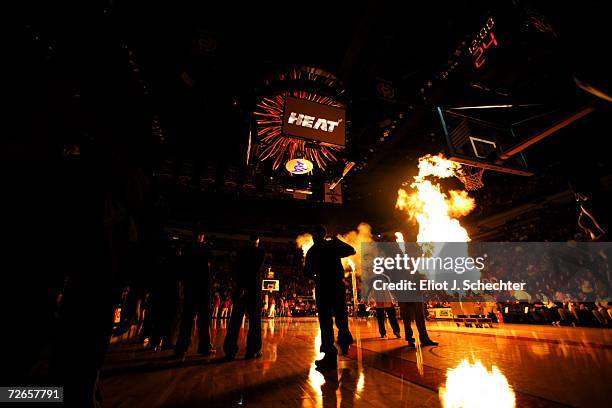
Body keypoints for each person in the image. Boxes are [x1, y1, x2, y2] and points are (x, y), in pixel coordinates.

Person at [304, 225, 355, 372]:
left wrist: (316, 276)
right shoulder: (332, 245)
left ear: (314, 236)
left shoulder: (312, 251)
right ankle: (345, 342)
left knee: (326, 321)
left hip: (323, 287)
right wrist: (338, 241)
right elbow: (351, 250)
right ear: (325, 235)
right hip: (337, 286)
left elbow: (307, 273)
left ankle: (330, 356)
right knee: (341, 315)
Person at [223, 235, 265, 360]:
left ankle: (230, 351)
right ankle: (252, 350)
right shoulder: (260, 252)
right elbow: (256, 270)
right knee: (254, 322)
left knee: (235, 321)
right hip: (253, 290)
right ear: (257, 242)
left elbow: (235, 270)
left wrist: (240, 286)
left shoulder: (240, 253)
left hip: (240, 289)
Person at [174, 231, 215, 359]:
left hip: (190, 287)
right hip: (202, 288)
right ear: (202, 236)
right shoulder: (206, 249)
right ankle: (204, 347)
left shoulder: (187, 249)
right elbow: (210, 265)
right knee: (204, 320)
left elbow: (181, 269)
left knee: (186, 320)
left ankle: (181, 348)